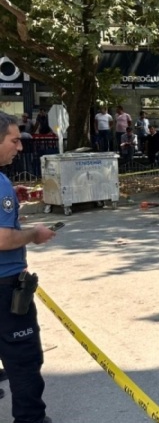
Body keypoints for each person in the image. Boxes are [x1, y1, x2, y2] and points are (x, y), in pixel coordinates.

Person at [0, 111, 57, 423]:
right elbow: (3, 239)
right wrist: (34, 234)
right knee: (23, 360)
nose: (19, 147)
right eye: (13, 140)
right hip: (5, 287)